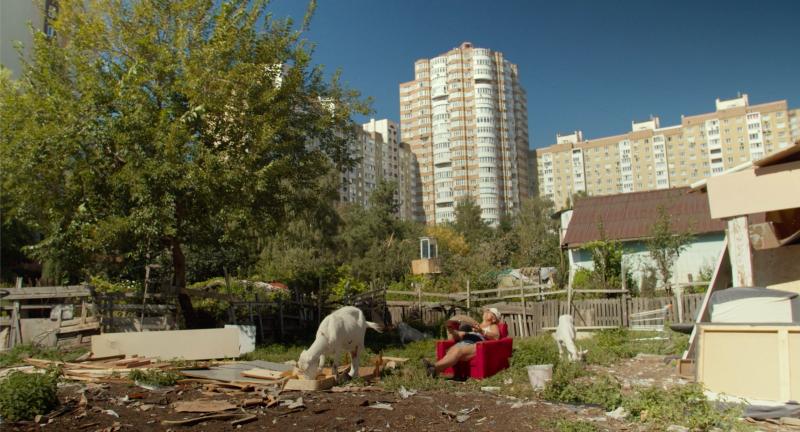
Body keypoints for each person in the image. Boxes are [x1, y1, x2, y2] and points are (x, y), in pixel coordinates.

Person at [422, 307, 501, 377]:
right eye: (486, 311)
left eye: (489, 312)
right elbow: (456, 336)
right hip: (465, 341)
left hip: (478, 344)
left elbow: (496, 337)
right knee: (451, 350)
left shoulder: (493, 326)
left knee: (458, 350)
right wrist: (450, 329)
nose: (486, 312)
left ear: (494, 319)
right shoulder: (475, 326)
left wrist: (482, 331)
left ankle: (434, 367)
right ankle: (435, 370)